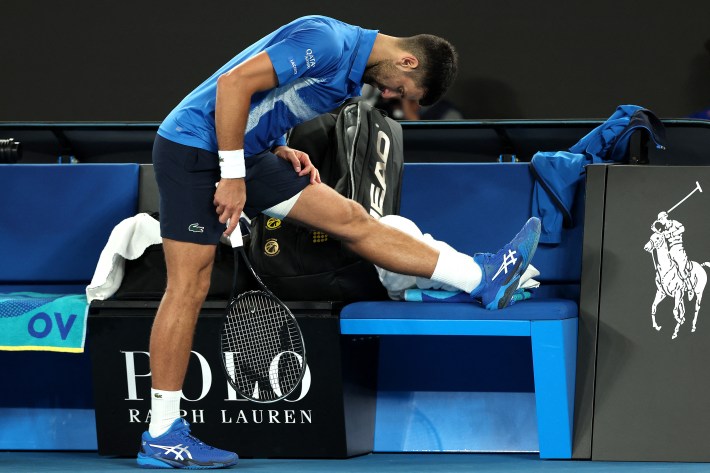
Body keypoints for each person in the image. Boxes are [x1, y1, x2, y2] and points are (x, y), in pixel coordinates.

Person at [139, 15, 541, 469]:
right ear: (407, 60)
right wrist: (233, 176)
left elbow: (269, 101)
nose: (390, 98)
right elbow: (234, 85)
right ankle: (162, 433)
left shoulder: (349, 78)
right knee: (188, 287)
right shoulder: (326, 41)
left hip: (246, 154)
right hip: (192, 150)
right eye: (401, 90)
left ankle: (481, 277)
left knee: (352, 219)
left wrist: (275, 146)